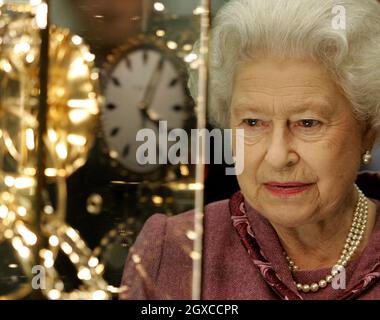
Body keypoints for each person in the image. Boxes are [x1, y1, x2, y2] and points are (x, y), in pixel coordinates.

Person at [120, 0, 380, 300]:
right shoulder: (172, 252)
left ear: (367, 132)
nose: (278, 156)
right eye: (253, 122)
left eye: (308, 123)